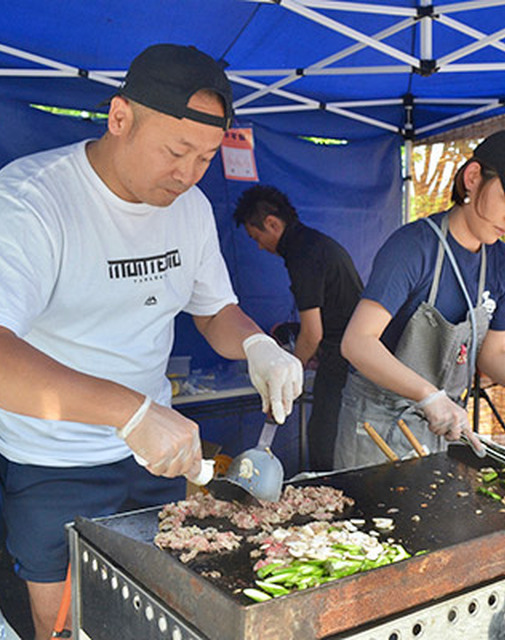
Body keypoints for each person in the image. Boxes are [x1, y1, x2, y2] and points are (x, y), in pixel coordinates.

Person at [0, 44, 302, 639]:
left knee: (154, 613)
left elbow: (216, 310)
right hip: (55, 460)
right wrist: (130, 411)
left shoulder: (187, 210)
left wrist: (257, 347)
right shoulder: (31, 202)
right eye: (175, 151)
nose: (188, 174)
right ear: (120, 119)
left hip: (155, 457)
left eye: (206, 157)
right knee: (67, 625)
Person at [334, 129, 505, 469]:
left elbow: (494, 355)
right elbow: (357, 342)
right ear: (472, 177)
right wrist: (429, 395)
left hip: (442, 426)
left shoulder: (503, 265)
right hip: (376, 424)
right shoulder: (413, 247)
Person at [233, 186, 363, 470]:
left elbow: (312, 333)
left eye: (257, 237)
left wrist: (288, 372)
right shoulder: (312, 244)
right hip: (345, 353)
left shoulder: (303, 253)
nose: (259, 246)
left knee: (323, 440)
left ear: (272, 223)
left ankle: (328, 499)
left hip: (346, 359)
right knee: (324, 433)